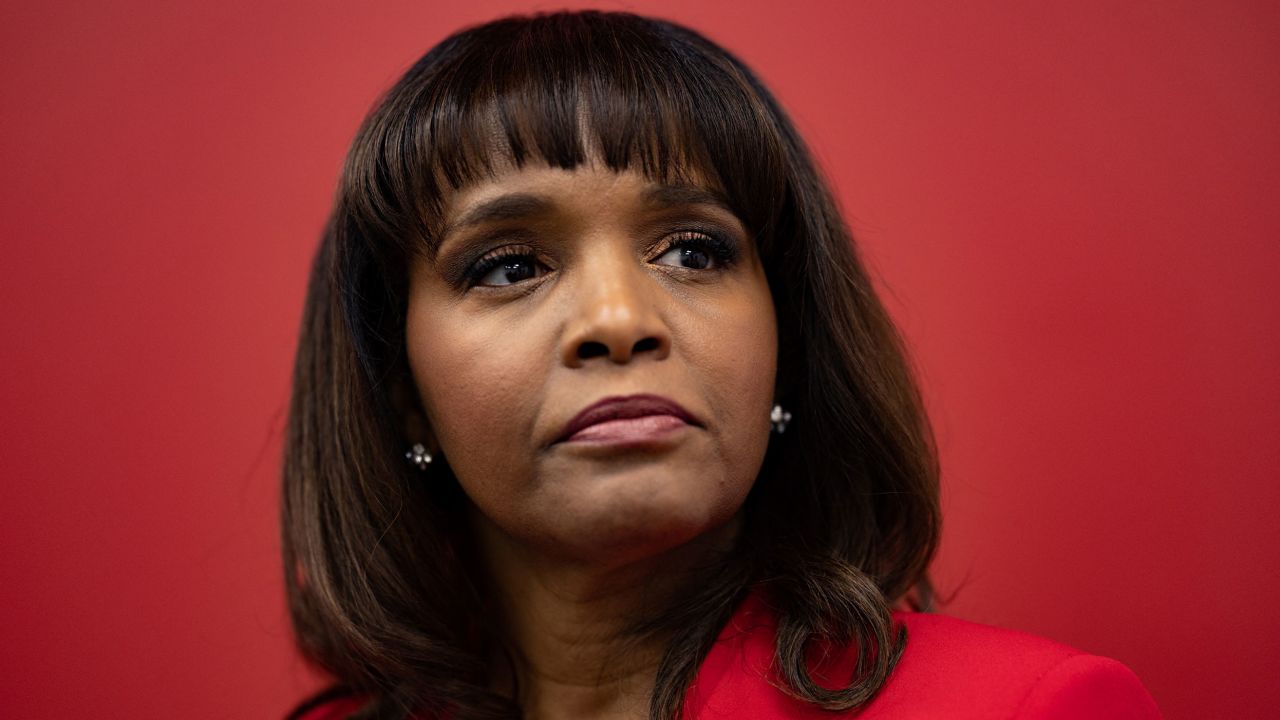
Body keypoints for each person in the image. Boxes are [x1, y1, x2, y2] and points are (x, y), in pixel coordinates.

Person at [281, 10, 1161, 720]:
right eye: (509, 267)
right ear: (402, 396)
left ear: (786, 347)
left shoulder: (1032, 708)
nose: (620, 321)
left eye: (694, 252)